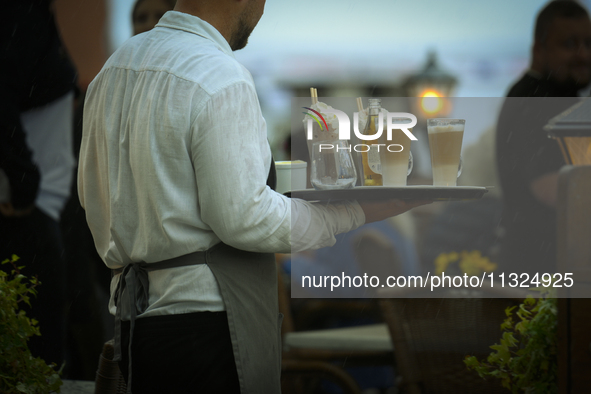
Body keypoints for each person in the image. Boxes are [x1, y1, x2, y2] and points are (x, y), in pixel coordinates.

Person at [78, 0, 428, 392]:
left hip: (132, 323)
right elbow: (246, 216)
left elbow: (92, 199)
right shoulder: (219, 74)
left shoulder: (112, 70)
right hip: (207, 324)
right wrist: (353, 212)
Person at [496, 0, 591, 275]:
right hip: (541, 273)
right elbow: (551, 187)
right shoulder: (537, 99)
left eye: (588, 43)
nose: (583, 54)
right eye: (569, 44)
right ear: (538, 49)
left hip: (542, 265)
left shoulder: (554, 95)